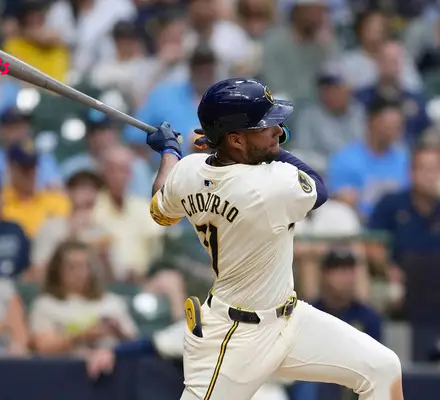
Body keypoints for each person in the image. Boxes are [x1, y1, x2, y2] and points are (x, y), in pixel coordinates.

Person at [146, 78, 403, 399]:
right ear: (236, 139)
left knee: (382, 367)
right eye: (266, 126)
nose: (278, 131)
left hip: (288, 318)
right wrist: (275, 151)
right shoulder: (268, 184)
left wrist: (170, 151)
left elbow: (161, 210)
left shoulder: (189, 171)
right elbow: (318, 189)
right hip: (233, 338)